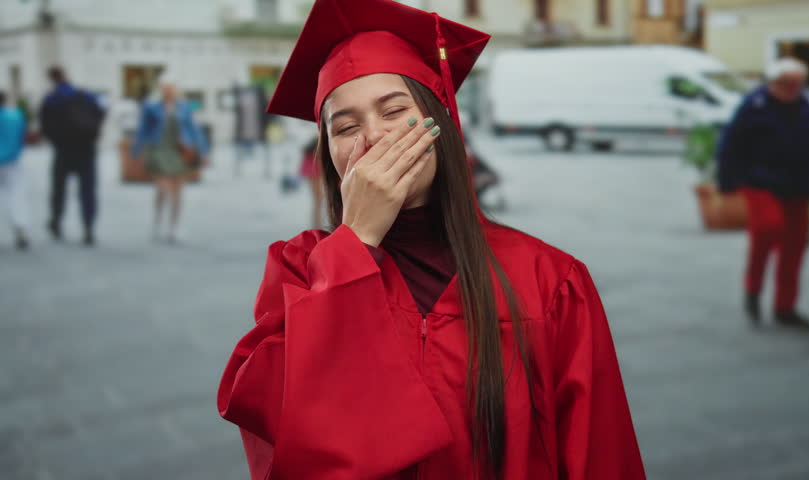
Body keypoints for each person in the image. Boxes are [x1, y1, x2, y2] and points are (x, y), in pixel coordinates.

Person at [217, 1, 645, 479]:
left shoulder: (550, 280)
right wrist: (356, 242)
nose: (374, 137)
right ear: (329, 155)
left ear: (439, 124)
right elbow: (284, 428)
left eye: (394, 110)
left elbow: (602, 456)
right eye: (346, 126)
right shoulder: (299, 268)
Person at [716, 57, 809, 331]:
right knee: (767, 227)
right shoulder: (754, 106)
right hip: (760, 182)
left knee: (794, 248)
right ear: (773, 83)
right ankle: (753, 288)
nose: (792, 89)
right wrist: (727, 181)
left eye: (797, 84)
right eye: (786, 83)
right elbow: (731, 143)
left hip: (798, 186)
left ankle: (784, 307)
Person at [131, 73, 209, 244]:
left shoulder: (184, 107)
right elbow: (142, 130)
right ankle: (158, 221)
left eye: (170, 88)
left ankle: (174, 226)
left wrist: (203, 151)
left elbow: (194, 130)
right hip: (159, 151)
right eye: (165, 88)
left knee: (178, 191)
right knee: (163, 189)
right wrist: (136, 152)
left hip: (180, 152)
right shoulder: (151, 107)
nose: (168, 91)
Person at [39, 66, 104, 246]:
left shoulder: (51, 99)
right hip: (86, 149)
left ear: (52, 79)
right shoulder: (85, 95)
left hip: (63, 150)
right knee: (88, 190)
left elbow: (44, 125)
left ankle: (57, 221)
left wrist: (56, 140)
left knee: (59, 189)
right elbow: (101, 113)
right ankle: (88, 227)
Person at [0, 89, 29, 250]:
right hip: (12, 161)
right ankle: (21, 229)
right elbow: (22, 136)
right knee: (17, 196)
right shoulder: (15, 116)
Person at [299, 135, 322, 228]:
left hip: (311, 171)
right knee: (318, 200)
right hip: (315, 171)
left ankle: (317, 224)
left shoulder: (311, 144)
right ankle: (317, 224)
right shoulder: (318, 144)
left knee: (317, 201)